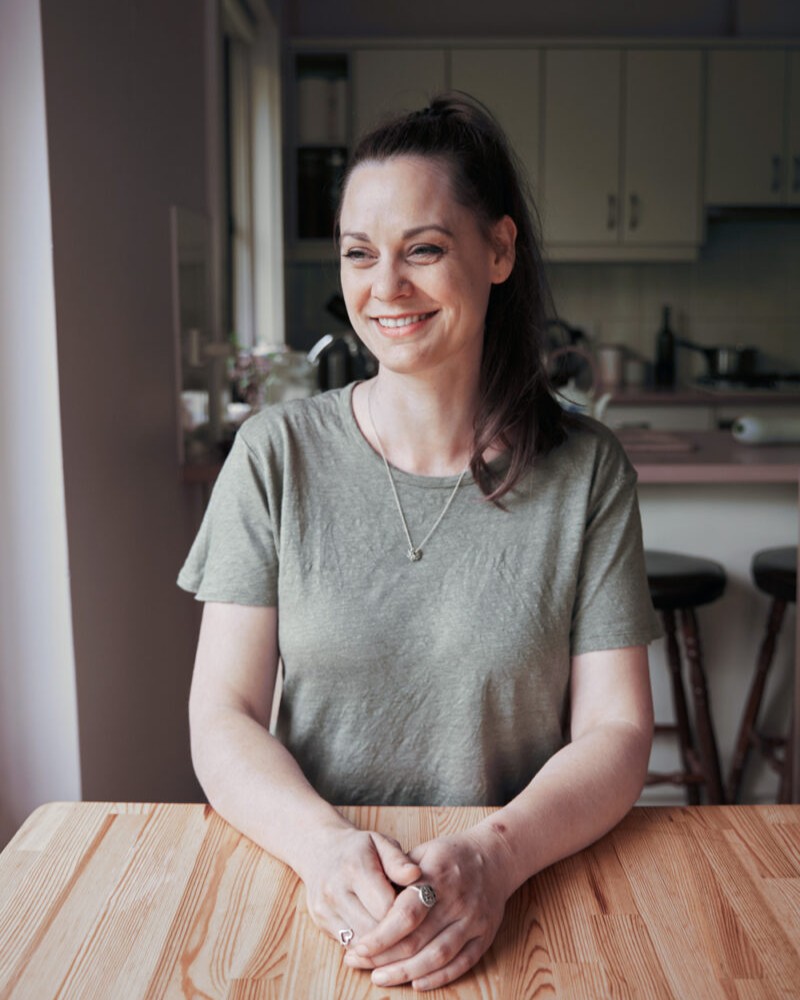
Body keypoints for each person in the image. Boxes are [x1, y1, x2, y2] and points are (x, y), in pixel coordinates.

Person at [179, 93, 661, 993]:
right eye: (360, 253)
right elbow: (223, 715)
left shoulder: (587, 471)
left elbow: (618, 729)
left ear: (500, 250)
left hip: (520, 898)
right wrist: (322, 849)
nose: (385, 287)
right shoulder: (274, 455)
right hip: (311, 896)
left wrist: (495, 858)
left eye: (424, 249)